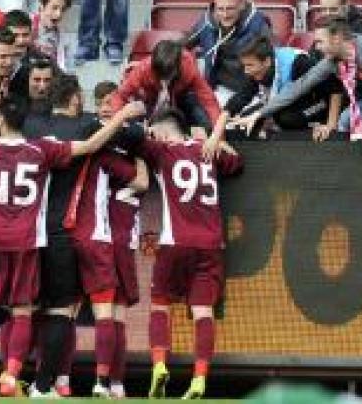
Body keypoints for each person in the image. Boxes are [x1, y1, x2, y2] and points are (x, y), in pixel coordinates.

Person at [0, 94, 148, 396]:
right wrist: (122, 117)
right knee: (27, 311)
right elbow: (92, 146)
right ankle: (17, 376)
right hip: (30, 240)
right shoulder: (41, 149)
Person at [22, 75, 145, 398]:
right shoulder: (92, 134)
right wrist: (133, 129)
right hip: (91, 234)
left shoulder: (34, 128)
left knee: (35, 308)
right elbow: (140, 176)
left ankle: (46, 377)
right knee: (102, 312)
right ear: (76, 98)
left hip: (40, 231)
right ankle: (105, 382)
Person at [138, 108, 243, 400]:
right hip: (211, 244)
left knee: (160, 304)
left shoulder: (162, 151)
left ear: (162, 132)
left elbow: (133, 140)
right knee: (203, 311)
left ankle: (159, 365)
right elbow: (237, 162)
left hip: (176, 241)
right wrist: (217, 140)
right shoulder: (207, 148)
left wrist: (143, 132)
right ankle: (199, 377)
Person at [66, 125, 149, 398]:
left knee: (63, 314)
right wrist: (143, 154)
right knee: (114, 317)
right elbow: (143, 183)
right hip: (113, 245)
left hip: (77, 237)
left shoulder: (89, 158)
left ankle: (59, 379)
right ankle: (112, 383)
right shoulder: (122, 164)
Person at [232, 16, 362, 142]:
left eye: (320, 42)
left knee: (347, 119)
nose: (316, 48)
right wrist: (259, 114)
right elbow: (298, 88)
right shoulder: (330, 62)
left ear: (336, 39)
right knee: (346, 119)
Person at [112, 40, 226, 158]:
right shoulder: (142, 69)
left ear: (178, 66)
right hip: (150, 101)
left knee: (201, 115)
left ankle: (207, 150)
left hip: (180, 99)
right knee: (133, 121)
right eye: (160, 74)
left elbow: (210, 102)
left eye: (168, 74)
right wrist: (118, 123)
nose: (164, 79)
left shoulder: (189, 68)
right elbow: (119, 96)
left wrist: (219, 138)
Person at [228, 36, 343, 140]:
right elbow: (241, 97)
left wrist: (331, 125)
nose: (246, 71)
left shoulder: (298, 62)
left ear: (266, 61)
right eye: (244, 65)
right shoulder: (256, 67)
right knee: (246, 119)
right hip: (291, 102)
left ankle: (312, 131)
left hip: (321, 103)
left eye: (249, 65)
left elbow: (335, 88)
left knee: (286, 118)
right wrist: (224, 120)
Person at [186, 0, 272, 95]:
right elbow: (182, 46)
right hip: (217, 86)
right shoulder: (207, 22)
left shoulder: (258, 24)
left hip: (251, 90)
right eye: (220, 9)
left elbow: (270, 61)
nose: (225, 15)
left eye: (230, 8)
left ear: (241, 5)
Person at [32, 0, 71, 70]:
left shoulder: (63, 38)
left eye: (63, 9)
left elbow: (65, 68)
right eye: (54, 8)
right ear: (42, 6)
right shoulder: (27, 28)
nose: (58, 14)